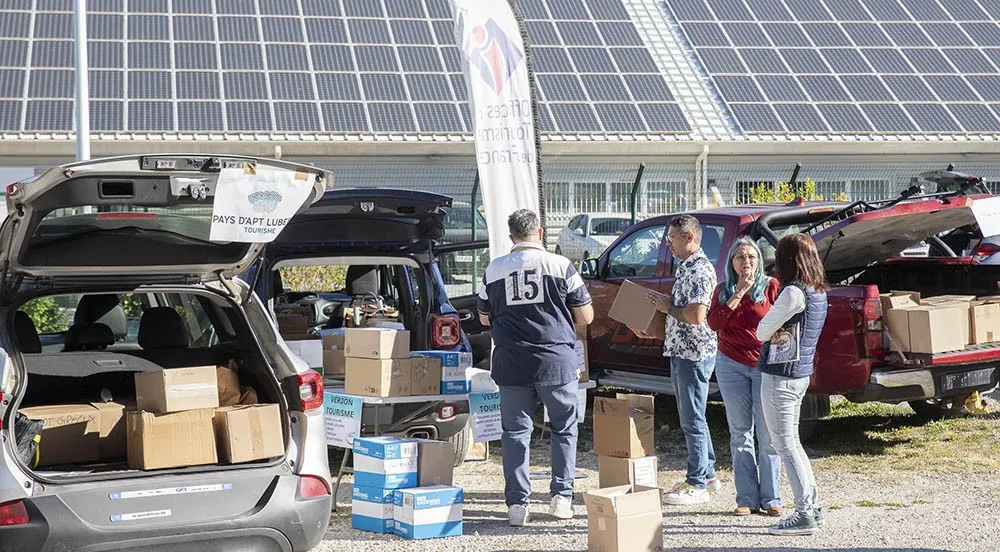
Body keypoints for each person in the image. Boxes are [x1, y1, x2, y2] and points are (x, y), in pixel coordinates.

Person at [477, 209, 595, 527]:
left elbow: (484, 318)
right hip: (556, 360)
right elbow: (586, 317)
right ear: (540, 233)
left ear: (511, 236)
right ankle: (561, 498)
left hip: (512, 360)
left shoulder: (494, 270)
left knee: (515, 434)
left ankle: (517, 505)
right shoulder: (562, 266)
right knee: (564, 429)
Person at [642, 214, 720, 506]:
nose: (668, 243)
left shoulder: (699, 270)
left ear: (689, 237)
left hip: (693, 353)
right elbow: (681, 313)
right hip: (681, 350)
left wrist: (666, 306)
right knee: (692, 416)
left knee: (692, 419)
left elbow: (696, 315)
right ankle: (708, 474)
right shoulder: (686, 266)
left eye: (672, 238)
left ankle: (697, 482)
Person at [756, 233, 829, 536]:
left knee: (784, 445)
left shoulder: (792, 293)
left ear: (788, 260)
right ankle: (812, 506)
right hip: (798, 374)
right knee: (792, 443)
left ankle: (804, 513)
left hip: (780, 376)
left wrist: (772, 326)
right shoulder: (817, 291)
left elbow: (761, 331)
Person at [706, 237, 783, 518]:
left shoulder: (772, 287)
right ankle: (746, 498)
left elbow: (783, 321)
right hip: (730, 364)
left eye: (751, 257)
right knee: (741, 434)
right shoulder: (723, 289)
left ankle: (772, 497)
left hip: (764, 365)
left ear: (759, 261)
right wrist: (737, 293)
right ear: (731, 263)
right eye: (740, 257)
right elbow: (714, 323)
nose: (746, 262)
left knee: (769, 433)